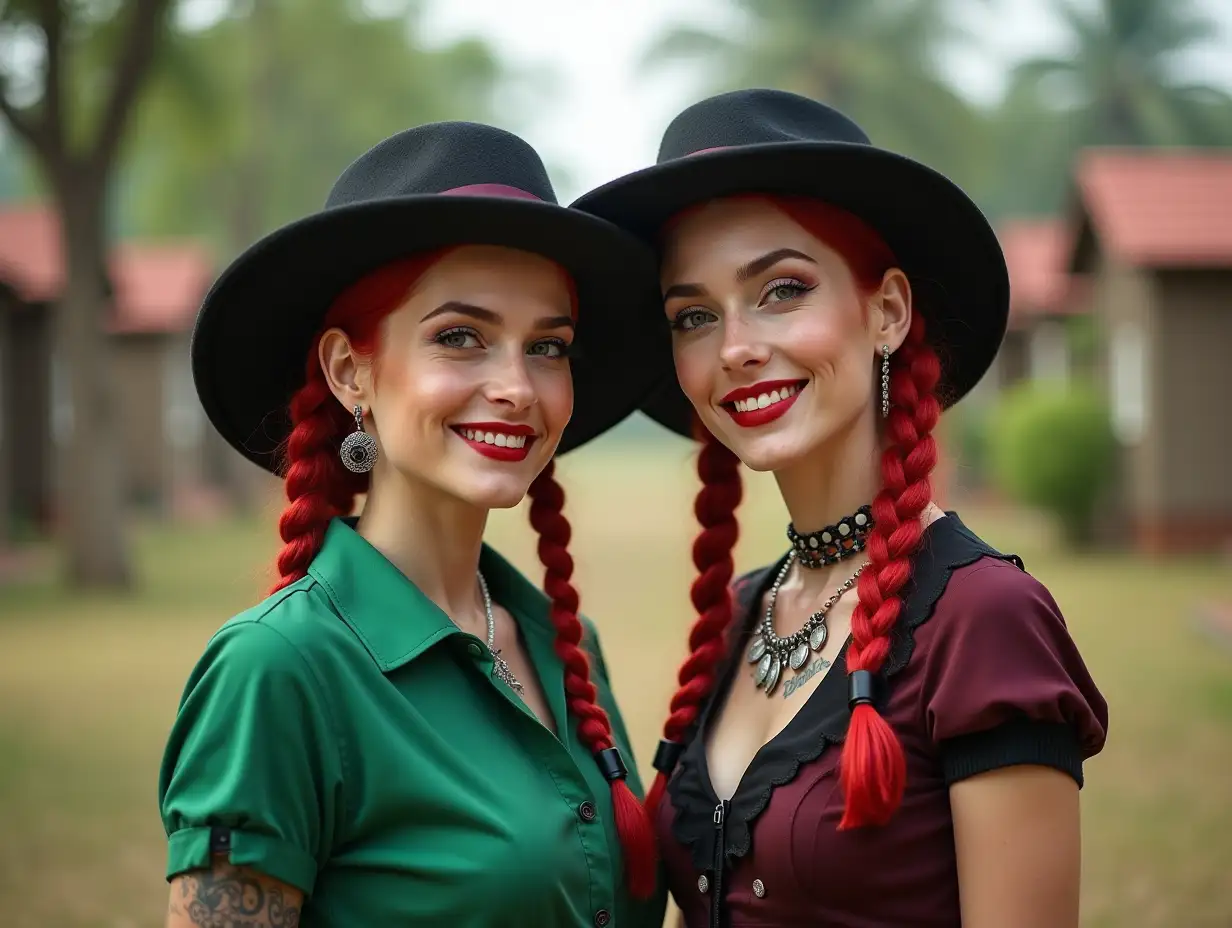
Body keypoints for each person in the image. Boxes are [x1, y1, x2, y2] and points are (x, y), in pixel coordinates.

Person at [573, 89, 1109, 927]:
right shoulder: (741, 613)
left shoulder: (982, 619)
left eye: (781, 290)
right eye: (694, 315)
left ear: (887, 311)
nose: (736, 346)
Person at [159, 122, 669, 928]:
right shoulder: (277, 671)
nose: (516, 386)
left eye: (548, 345)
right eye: (460, 337)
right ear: (349, 369)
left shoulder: (562, 647)